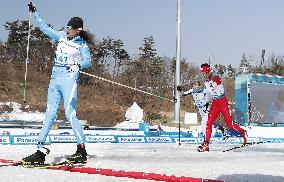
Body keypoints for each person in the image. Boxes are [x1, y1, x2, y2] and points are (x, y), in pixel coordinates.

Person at [22, 2, 94, 164]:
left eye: (70, 28)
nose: (67, 29)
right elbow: (44, 28)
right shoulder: (61, 36)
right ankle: (39, 151)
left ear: (78, 30)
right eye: (67, 27)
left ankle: (81, 150)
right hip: (55, 80)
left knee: (70, 114)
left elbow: (87, 62)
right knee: (49, 114)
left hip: (69, 80)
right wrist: (35, 13)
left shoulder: (81, 45)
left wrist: (78, 65)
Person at [197, 63, 248, 152]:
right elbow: (209, 95)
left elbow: (210, 89)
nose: (203, 75)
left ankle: (243, 132)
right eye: (202, 74)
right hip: (215, 104)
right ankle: (206, 144)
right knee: (208, 123)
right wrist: (206, 102)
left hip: (223, 103)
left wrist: (207, 84)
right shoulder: (207, 81)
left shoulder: (216, 78)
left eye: (204, 73)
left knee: (230, 124)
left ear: (208, 71)